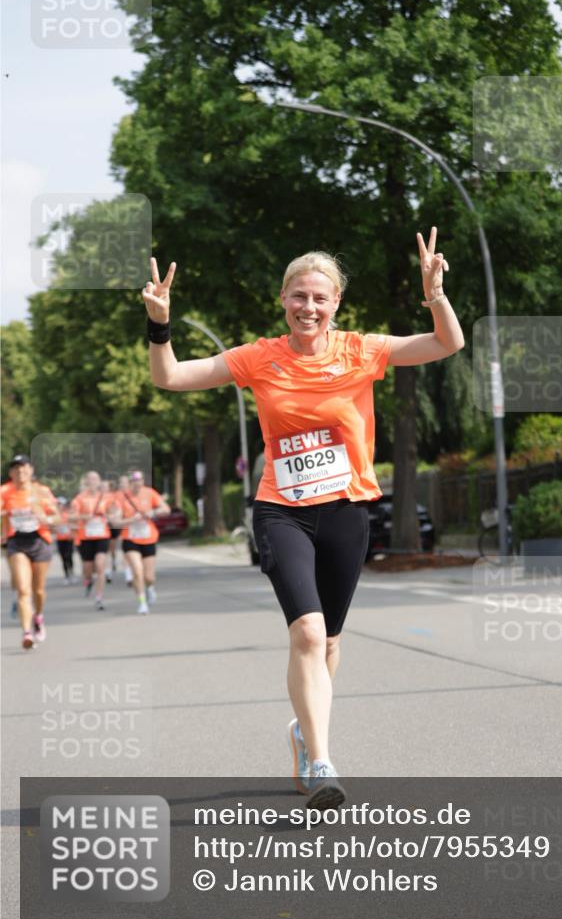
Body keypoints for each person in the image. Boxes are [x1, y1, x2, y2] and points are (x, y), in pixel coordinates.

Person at [142, 228, 464, 810]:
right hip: (281, 511)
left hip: (346, 511)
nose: (308, 307)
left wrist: (435, 293)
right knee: (308, 632)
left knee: (330, 640)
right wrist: (160, 324)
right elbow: (169, 377)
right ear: (283, 300)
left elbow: (447, 344)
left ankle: (301, 731)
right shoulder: (257, 358)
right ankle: (321, 760)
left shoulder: (363, 350)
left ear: (335, 303)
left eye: (319, 297)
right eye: (298, 296)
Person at [0, 454, 58, 648]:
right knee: (23, 590)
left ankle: (38, 617)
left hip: (39, 541)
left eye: (23, 468)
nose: (20, 472)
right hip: (17, 543)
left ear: (31, 471)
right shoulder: (5, 492)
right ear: (10, 473)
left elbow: (57, 517)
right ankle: (27, 633)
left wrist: (46, 519)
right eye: (16, 468)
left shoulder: (41, 491)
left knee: (38, 591)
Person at [111, 470, 170, 614]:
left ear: (143, 482)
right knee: (137, 571)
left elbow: (166, 509)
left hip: (149, 538)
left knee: (149, 577)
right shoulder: (121, 497)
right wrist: (131, 519)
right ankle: (142, 603)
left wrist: (153, 513)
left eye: (140, 481)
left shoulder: (150, 493)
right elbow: (115, 521)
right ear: (130, 483)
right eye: (134, 481)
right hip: (130, 538)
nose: (137, 484)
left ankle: (150, 588)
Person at [68, 471, 115, 610]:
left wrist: (109, 515)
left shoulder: (107, 497)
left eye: (96, 479)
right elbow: (71, 517)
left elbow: (116, 512)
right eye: (90, 479)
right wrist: (83, 517)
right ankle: (88, 581)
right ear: (86, 482)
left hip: (102, 536)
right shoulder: (79, 498)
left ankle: (99, 597)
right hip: (85, 537)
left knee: (100, 566)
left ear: (99, 482)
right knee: (87, 570)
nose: (93, 481)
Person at [54, 496, 75, 583]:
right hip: (60, 539)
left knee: (69, 556)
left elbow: (73, 525)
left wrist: (72, 533)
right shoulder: (54, 516)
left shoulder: (68, 514)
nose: (59, 506)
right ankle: (66, 575)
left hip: (69, 538)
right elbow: (52, 527)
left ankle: (72, 573)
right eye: (58, 504)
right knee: (63, 557)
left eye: (61, 504)